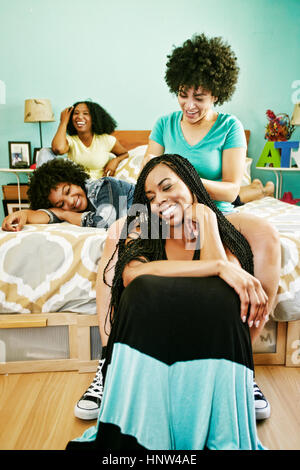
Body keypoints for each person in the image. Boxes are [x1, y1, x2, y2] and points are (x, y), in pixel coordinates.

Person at [66, 154, 265, 450]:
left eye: (167, 187)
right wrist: (219, 268)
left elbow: (222, 291)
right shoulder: (146, 226)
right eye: (150, 196)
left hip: (204, 355)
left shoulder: (217, 227)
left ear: (192, 185)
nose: (159, 199)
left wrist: (206, 219)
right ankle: (109, 366)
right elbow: (133, 274)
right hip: (153, 352)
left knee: (222, 294)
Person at [139, 33, 280, 420]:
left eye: (199, 97)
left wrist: (184, 175)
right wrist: (169, 188)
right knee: (119, 239)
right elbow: (148, 173)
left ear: (216, 93)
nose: (190, 105)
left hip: (218, 211)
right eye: (183, 94)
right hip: (165, 211)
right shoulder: (163, 124)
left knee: (268, 238)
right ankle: (110, 363)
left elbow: (233, 187)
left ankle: (242, 364)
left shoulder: (230, 126)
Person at [1, 159, 135, 232]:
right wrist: (23, 214)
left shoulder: (106, 185)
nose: (70, 201)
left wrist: (63, 214)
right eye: (61, 204)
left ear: (75, 180)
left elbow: (106, 222)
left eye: (68, 190)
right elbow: (48, 214)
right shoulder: (73, 211)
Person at [38, 100, 129, 179]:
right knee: (45, 151)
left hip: (96, 186)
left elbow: (125, 153)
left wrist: (115, 161)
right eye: (76, 113)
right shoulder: (71, 140)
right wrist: (63, 122)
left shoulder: (107, 140)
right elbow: (58, 149)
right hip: (74, 184)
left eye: (85, 113)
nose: (79, 117)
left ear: (94, 118)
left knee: (119, 191)